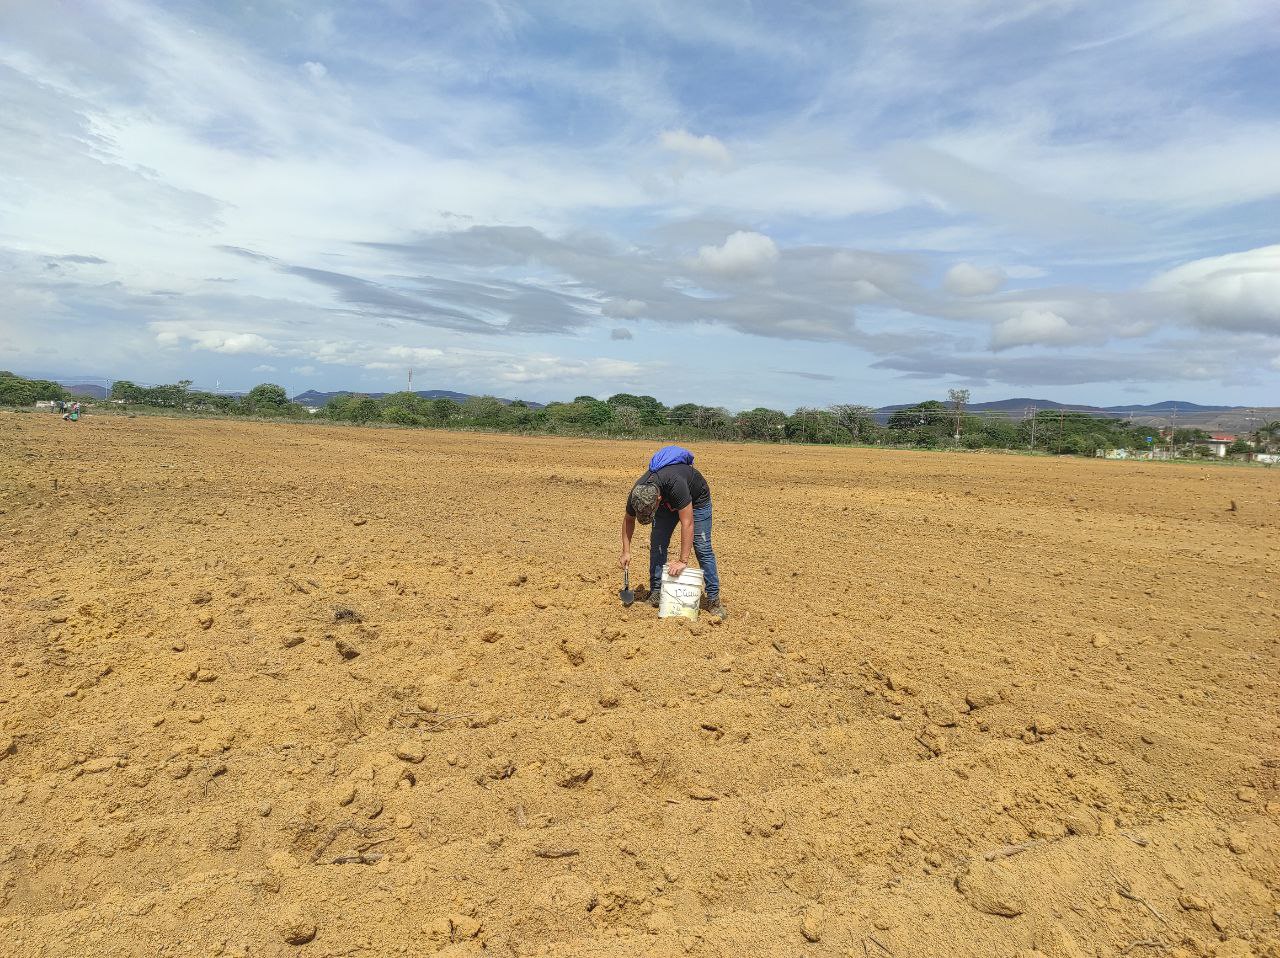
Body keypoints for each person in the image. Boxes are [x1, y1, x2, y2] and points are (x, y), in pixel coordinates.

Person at [620, 445, 727, 619]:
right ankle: (656, 591)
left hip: (697, 499)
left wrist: (682, 560)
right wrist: (626, 551)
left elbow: (688, 522)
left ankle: (714, 600)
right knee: (658, 544)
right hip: (665, 503)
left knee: (702, 547)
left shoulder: (676, 485)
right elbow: (628, 519)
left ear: (658, 500)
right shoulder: (637, 493)